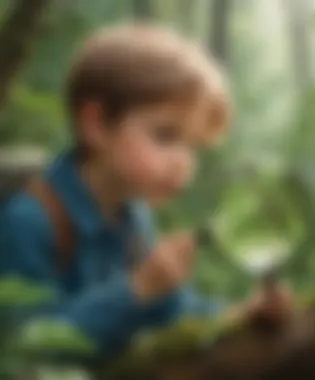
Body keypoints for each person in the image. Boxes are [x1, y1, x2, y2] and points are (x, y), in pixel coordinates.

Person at [0, 24, 292, 359]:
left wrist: (238, 317)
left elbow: (168, 309)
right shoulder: (29, 220)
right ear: (95, 125)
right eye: (165, 136)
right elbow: (23, 349)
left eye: (194, 147)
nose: (183, 163)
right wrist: (136, 289)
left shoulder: (132, 216)